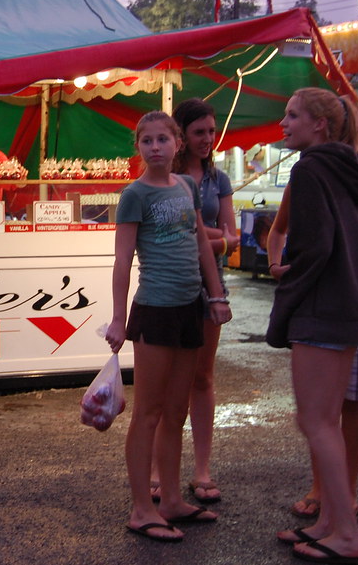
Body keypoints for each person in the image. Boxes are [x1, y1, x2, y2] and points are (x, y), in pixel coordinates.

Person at [105, 111, 232, 543]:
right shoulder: (134, 195)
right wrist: (119, 320)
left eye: (163, 139)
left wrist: (215, 296)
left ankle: (173, 499)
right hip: (154, 311)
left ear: (177, 143)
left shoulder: (188, 186)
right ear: (138, 147)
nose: (155, 147)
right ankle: (142, 508)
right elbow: (122, 259)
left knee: (177, 412)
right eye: (147, 141)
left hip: (189, 307)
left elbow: (200, 242)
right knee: (148, 413)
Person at [266, 89, 358, 564]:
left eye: (293, 115)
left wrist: (287, 294)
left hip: (321, 307)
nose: (283, 123)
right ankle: (331, 522)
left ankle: (346, 533)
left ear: (321, 126)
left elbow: (313, 247)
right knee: (325, 420)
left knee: (315, 421)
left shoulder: (309, 169)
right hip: (354, 304)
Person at [268, 148, 358, 522]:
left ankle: (346, 490)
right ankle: (322, 489)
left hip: (355, 304)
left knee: (347, 403)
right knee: (323, 410)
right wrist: (276, 264)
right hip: (326, 303)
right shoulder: (307, 175)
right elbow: (279, 228)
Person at [149, 99, 240, 504]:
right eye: (200, 132)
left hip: (212, 285)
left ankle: (202, 469)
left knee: (202, 377)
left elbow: (231, 238)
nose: (208, 139)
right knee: (167, 381)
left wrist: (209, 238)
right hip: (172, 284)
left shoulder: (218, 179)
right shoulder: (167, 175)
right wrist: (212, 238)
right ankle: (157, 468)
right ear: (183, 135)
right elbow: (177, 234)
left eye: (212, 131)